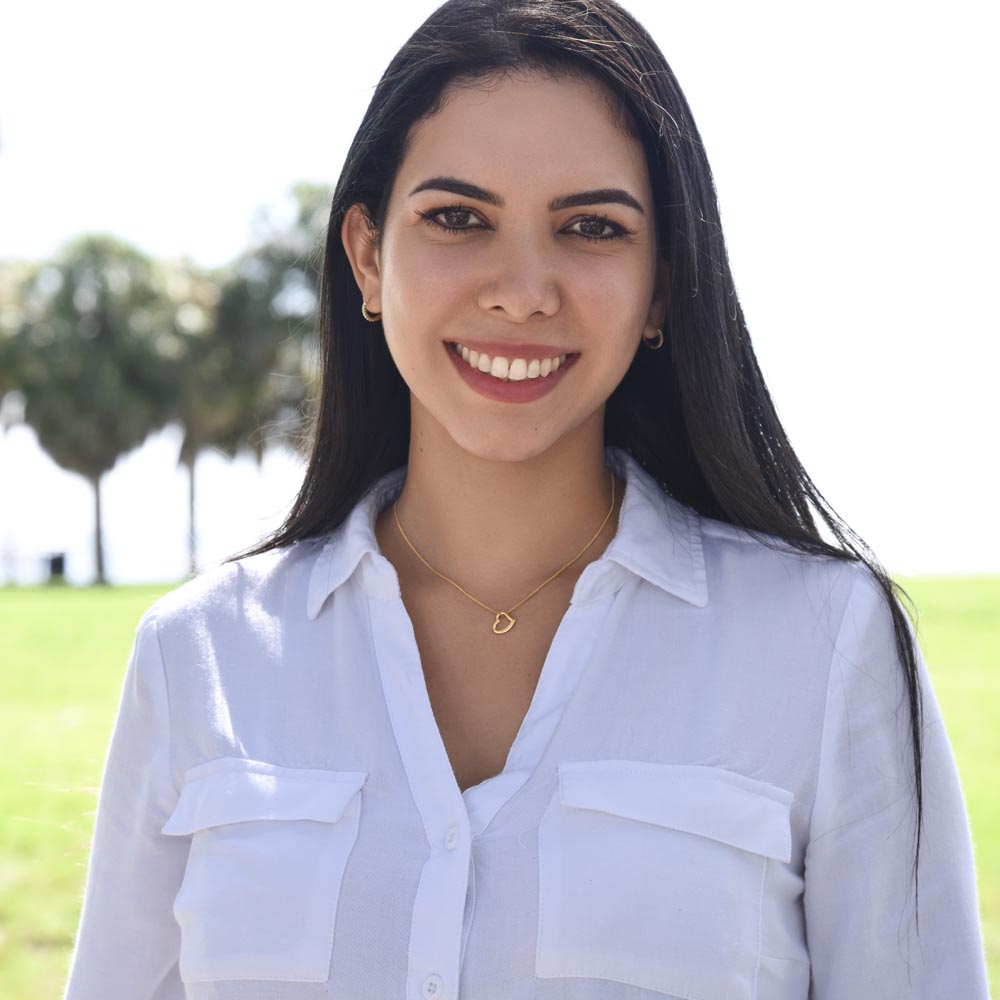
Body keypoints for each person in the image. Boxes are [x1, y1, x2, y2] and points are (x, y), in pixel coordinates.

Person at [62, 1, 989, 997]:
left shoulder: (824, 646)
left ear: (661, 287)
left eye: (590, 227)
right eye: (457, 218)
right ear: (369, 257)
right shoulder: (200, 656)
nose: (521, 288)